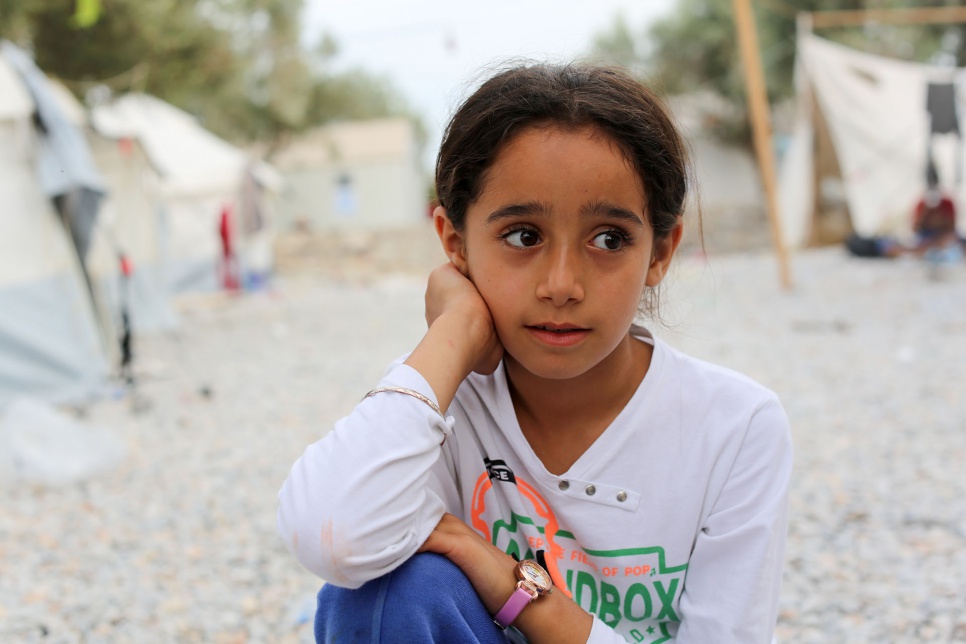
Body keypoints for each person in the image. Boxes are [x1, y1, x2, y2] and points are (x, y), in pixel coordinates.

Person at [277, 63, 793, 643]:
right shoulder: (442, 407)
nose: (562, 284)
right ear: (455, 244)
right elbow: (332, 535)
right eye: (524, 236)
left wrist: (515, 585)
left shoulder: (734, 427)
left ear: (660, 253)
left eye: (609, 239)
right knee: (385, 595)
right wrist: (456, 328)